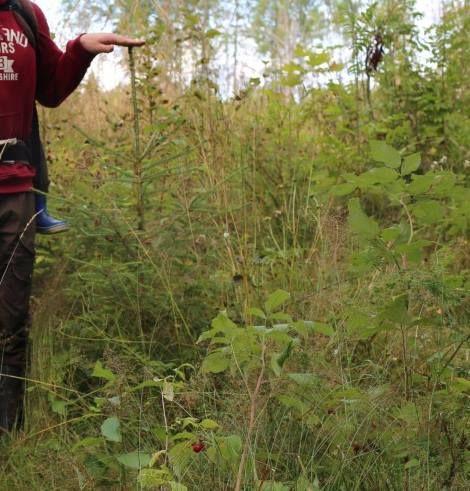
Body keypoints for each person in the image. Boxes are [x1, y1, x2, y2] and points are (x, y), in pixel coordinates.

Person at [0, 0, 144, 433]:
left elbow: (51, 89)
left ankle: (9, 429)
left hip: (16, 190)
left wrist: (79, 49)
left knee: (11, 319)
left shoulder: (25, 14)